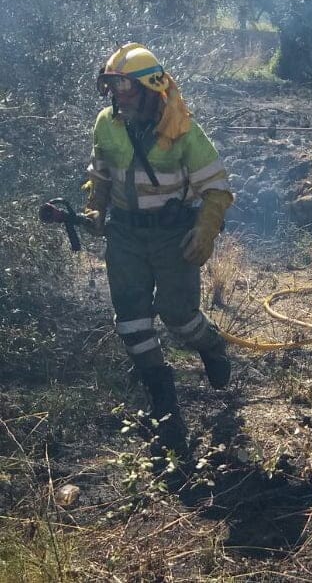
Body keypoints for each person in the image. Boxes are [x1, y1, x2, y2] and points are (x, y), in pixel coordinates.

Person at [84, 43, 234, 455]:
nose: (118, 96)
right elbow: (100, 174)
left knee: (178, 315)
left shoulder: (182, 129)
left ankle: (211, 345)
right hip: (125, 236)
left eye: (125, 87)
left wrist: (205, 231)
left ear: (152, 89)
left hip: (172, 237)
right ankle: (164, 404)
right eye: (112, 87)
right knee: (131, 319)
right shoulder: (106, 124)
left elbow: (217, 188)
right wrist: (95, 209)